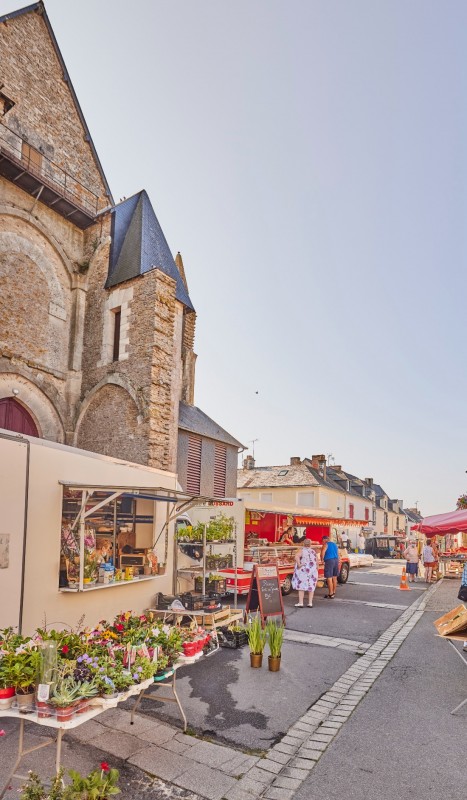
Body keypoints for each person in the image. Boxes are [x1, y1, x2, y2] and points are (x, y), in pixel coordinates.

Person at [292, 538, 318, 607]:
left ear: (303, 543)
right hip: (312, 571)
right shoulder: (313, 551)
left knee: (301, 586)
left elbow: (296, 556)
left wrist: (299, 564)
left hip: (304, 571)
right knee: (311, 586)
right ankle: (310, 603)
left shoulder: (302, 550)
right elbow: (316, 561)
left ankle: (301, 603)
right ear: (310, 544)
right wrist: (316, 569)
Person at [320, 534, 339, 599]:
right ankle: (333, 592)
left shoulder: (325, 544)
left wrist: (322, 560)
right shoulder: (334, 544)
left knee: (329, 578)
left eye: (322, 541)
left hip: (329, 561)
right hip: (336, 560)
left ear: (324, 540)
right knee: (334, 577)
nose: (322, 542)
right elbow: (338, 553)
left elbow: (322, 552)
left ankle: (330, 594)